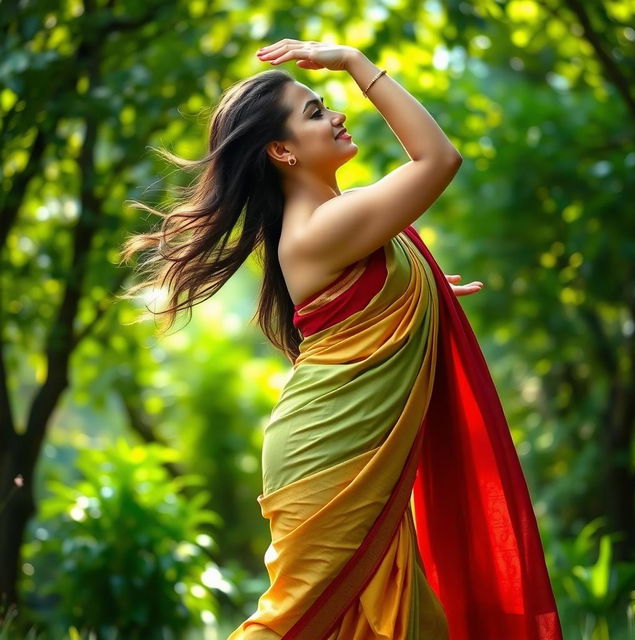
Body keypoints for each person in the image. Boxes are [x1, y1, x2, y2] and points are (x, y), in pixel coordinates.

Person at [121, 39, 563, 639]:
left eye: (327, 103)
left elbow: (367, 299)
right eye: (315, 112)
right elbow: (438, 160)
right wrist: (356, 62)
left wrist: (421, 293)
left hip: (350, 446)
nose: (337, 115)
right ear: (282, 151)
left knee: (403, 624)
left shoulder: (344, 218)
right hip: (329, 451)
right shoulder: (324, 227)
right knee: (298, 622)